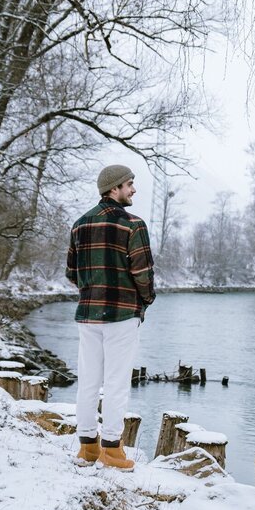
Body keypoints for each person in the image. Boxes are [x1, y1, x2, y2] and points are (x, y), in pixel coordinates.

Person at [65, 164, 155, 472]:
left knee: (88, 380)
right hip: (121, 315)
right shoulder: (133, 225)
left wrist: (91, 292)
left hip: (88, 314)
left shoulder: (79, 225)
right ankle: (113, 451)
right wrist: (145, 300)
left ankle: (88, 447)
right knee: (117, 382)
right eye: (129, 184)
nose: (133, 190)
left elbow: (71, 273)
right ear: (113, 188)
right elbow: (143, 273)